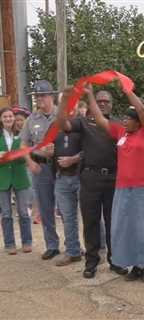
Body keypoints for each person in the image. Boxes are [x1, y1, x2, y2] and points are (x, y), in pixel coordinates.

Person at [83, 84, 144, 283]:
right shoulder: (121, 133)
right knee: (126, 228)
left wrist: (127, 91)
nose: (124, 121)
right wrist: (90, 95)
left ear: (137, 122)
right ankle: (134, 265)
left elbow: (142, 110)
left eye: (128, 118)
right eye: (124, 118)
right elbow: (100, 119)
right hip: (123, 188)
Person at [57, 89, 128, 279]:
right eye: (99, 101)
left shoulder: (117, 124)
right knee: (90, 222)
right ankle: (91, 262)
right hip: (90, 178)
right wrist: (64, 102)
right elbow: (63, 124)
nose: (103, 103)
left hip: (113, 179)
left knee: (114, 222)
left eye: (106, 101)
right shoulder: (83, 122)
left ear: (111, 105)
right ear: (92, 103)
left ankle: (116, 260)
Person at [21, 80, 60, 260]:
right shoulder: (31, 119)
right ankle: (52, 245)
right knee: (45, 208)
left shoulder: (62, 115)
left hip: (61, 167)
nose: (38, 99)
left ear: (51, 96)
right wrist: (30, 161)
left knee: (68, 209)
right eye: (36, 96)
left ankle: (72, 247)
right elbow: (23, 144)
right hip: (41, 168)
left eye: (42, 96)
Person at [52, 104, 83, 267]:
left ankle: (99, 249)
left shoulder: (83, 125)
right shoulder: (55, 127)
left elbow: (92, 150)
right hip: (61, 179)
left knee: (91, 216)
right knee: (68, 218)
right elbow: (47, 147)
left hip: (81, 178)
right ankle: (73, 252)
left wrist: (73, 159)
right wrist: (45, 151)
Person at [0, 108, 32, 255]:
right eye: (5, 116)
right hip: (3, 178)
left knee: (23, 212)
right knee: (6, 213)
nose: (8, 119)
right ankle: (9, 243)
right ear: (1, 119)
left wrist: (16, 155)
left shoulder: (21, 135)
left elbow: (27, 153)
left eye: (10, 116)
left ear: (14, 118)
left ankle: (27, 242)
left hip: (20, 176)